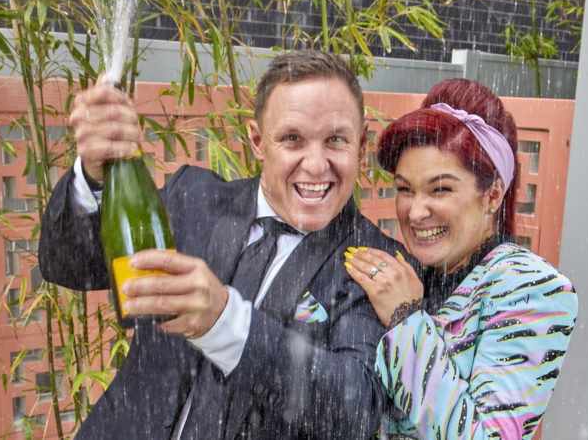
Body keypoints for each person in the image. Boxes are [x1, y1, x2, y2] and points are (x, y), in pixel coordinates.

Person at [39, 50, 410, 439]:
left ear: (361, 146)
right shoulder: (192, 198)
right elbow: (67, 263)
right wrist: (94, 174)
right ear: (257, 141)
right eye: (292, 138)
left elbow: (354, 410)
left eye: (335, 139)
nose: (316, 165)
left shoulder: (382, 265)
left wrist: (226, 322)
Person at [344, 78, 578, 439]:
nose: (415, 211)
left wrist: (406, 321)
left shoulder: (532, 287)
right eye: (405, 189)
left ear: (493, 195)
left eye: (440, 189)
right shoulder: (404, 273)